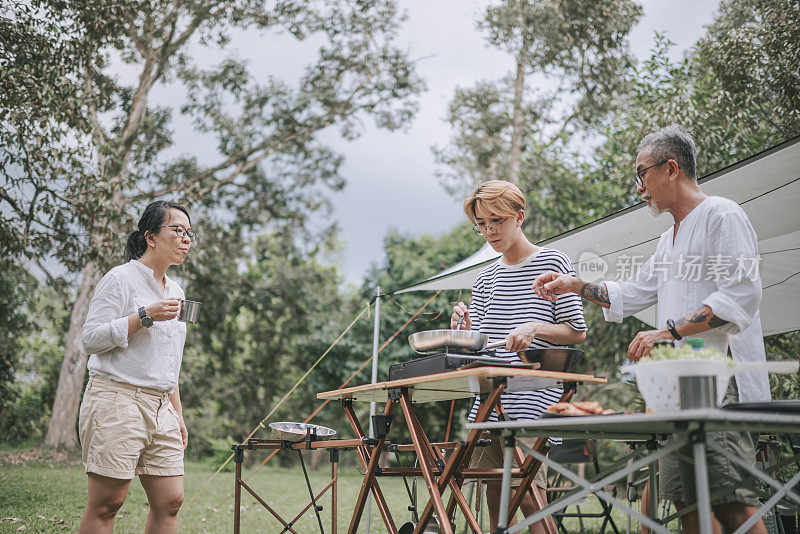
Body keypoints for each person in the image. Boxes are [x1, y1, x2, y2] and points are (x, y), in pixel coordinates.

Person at [532, 125, 769, 534]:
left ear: (671, 168)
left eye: (642, 173)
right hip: (675, 389)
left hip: (719, 383)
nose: (639, 186)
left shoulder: (722, 214)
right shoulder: (667, 241)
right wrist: (576, 285)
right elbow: (632, 293)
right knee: (686, 502)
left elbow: (740, 294)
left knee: (732, 502)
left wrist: (667, 333)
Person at [450, 180, 587, 533]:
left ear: (519, 217)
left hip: (532, 399)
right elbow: (479, 346)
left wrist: (534, 328)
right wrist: (463, 330)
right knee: (496, 498)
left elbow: (577, 331)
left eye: (497, 220)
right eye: (482, 223)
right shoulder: (484, 279)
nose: (489, 231)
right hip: (487, 402)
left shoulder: (553, 261)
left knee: (527, 495)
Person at [78, 200, 195, 534]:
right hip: (117, 399)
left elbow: (168, 360)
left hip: (162, 408)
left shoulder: (176, 290)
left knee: (170, 500)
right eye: (177, 230)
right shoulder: (120, 279)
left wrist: (178, 415)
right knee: (107, 503)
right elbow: (90, 339)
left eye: (189, 233)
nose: (185, 239)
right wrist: (144, 316)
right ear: (151, 237)